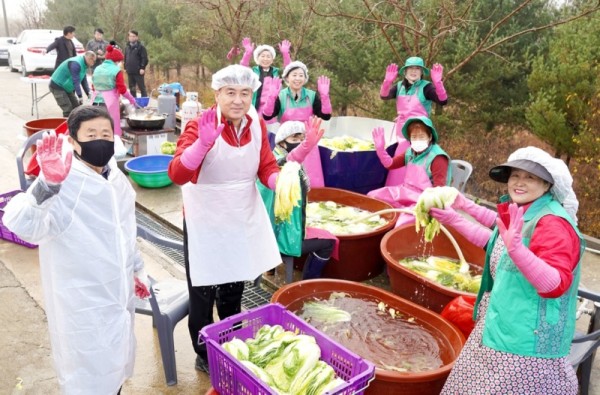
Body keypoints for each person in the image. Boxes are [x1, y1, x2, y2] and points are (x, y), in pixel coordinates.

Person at [3, 105, 151, 394]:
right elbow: (19, 222)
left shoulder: (116, 179)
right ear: (72, 141)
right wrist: (47, 185)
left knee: (115, 370)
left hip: (117, 294)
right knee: (88, 378)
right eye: (91, 134)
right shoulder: (64, 181)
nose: (100, 140)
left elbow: (125, 228)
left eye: (105, 134)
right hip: (83, 304)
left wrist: (134, 269)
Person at [428, 146, 583, 395]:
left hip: (525, 347)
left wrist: (519, 252)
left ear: (547, 185)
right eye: (515, 175)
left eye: (530, 177)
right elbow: (495, 243)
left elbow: (556, 284)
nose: (519, 182)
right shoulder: (524, 209)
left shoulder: (553, 224)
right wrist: (456, 216)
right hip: (500, 325)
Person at [167, 65, 281, 374]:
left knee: (234, 286)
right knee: (202, 290)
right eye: (230, 93)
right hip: (205, 218)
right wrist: (201, 144)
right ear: (217, 94)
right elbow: (178, 173)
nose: (238, 100)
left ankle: (231, 342)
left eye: (245, 93)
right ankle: (203, 351)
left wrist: (281, 183)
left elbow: (266, 165)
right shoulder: (200, 124)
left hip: (239, 215)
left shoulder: (257, 123)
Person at [259, 118, 338, 279]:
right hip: (280, 239)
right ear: (281, 143)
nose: (299, 143)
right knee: (329, 242)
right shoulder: (280, 167)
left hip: (264, 234)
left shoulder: (271, 162)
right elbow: (289, 160)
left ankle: (270, 268)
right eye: (294, 139)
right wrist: (306, 146)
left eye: (302, 139)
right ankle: (308, 283)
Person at [368, 116, 451, 225]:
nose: (417, 140)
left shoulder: (438, 158)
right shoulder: (410, 152)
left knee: (402, 222)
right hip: (406, 192)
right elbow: (390, 164)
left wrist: (421, 209)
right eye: (414, 137)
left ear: (430, 136)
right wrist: (380, 149)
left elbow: (438, 192)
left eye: (421, 136)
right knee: (373, 197)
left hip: (425, 200)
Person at [261, 61, 332, 187]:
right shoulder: (281, 96)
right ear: (287, 77)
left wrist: (325, 96)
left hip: (308, 140)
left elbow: (325, 115)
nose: (298, 78)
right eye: (294, 75)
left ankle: (313, 202)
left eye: (301, 75)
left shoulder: (311, 95)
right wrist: (271, 97)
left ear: (305, 78)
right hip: (286, 142)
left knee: (311, 179)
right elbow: (267, 115)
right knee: (288, 179)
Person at [380, 56, 448, 186]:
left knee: (414, 163)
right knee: (398, 165)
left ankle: (414, 192)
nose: (414, 71)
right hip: (401, 131)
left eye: (417, 69)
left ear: (422, 72)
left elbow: (443, 101)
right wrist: (387, 82)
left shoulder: (426, 87)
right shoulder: (399, 86)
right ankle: (396, 192)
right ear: (405, 72)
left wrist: (438, 83)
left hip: (419, 132)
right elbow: (384, 96)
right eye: (411, 68)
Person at [92, 42, 137, 139]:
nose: (119, 63)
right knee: (111, 126)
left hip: (95, 101)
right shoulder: (116, 70)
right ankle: (114, 145)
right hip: (108, 102)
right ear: (116, 61)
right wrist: (132, 99)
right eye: (119, 61)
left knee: (97, 126)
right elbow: (122, 89)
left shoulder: (97, 68)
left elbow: (93, 85)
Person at [238, 37, 292, 114]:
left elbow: (289, 69)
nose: (265, 59)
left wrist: (285, 54)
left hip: (273, 109)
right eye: (263, 56)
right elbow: (243, 67)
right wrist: (248, 53)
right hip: (254, 109)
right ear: (257, 58)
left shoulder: (277, 72)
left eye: (268, 56)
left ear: (272, 60)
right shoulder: (253, 71)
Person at [49, 51, 96, 117]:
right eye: (94, 61)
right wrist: (80, 96)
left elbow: (83, 81)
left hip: (66, 87)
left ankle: (75, 126)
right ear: (90, 58)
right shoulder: (76, 64)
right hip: (58, 85)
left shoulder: (84, 64)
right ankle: (67, 126)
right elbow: (76, 81)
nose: (93, 63)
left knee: (76, 108)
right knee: (68, 110)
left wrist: (89, 94)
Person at [124, 30, 148, 97]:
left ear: (137, 37)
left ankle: (144, 102)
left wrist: (142, 68)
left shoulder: (141, 47)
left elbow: (144, 59)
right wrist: (125, 67)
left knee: (142, 88)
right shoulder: (127, 47)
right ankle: (134, 103)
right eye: (130, 36)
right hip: (130, 71)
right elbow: (125, 58)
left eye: (133, 36)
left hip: (138, 71)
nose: (131, 38)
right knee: (132, 88)